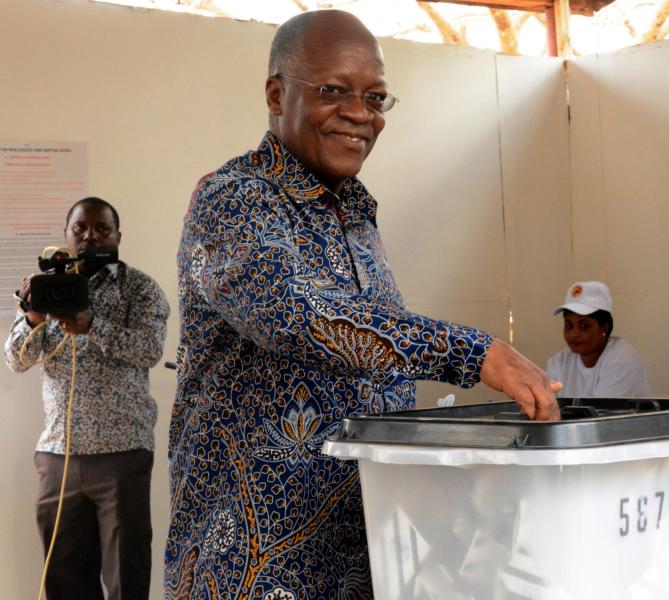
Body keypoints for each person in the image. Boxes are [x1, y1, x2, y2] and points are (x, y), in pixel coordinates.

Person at [166, 10, 560, 599]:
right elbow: (297, 316)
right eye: (334, 91)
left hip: (368, 550)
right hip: (253, 566)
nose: (360, 114)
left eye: (375, 98)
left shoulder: (353, 210)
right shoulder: (234, 200)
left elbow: (375, 361)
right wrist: (475, 353)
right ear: (277, 94)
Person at [4, 197, 169, 600]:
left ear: (118, 237)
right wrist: (33, 318)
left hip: (122, 452)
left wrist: (92, 325)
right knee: (63, 578)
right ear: (66, 235)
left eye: (101, 228)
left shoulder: (139, 288)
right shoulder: (44, 288)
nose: (90, 235)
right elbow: (15, 361)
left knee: (124, 575)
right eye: (80, 228)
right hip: (58, 454)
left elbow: (149, 349)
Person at [547, 281, 651, 398]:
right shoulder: (559, 362)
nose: (574, 334)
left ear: (604, 328)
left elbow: (603, 415)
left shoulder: (622, 361)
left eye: (584, 326)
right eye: (569, 325)